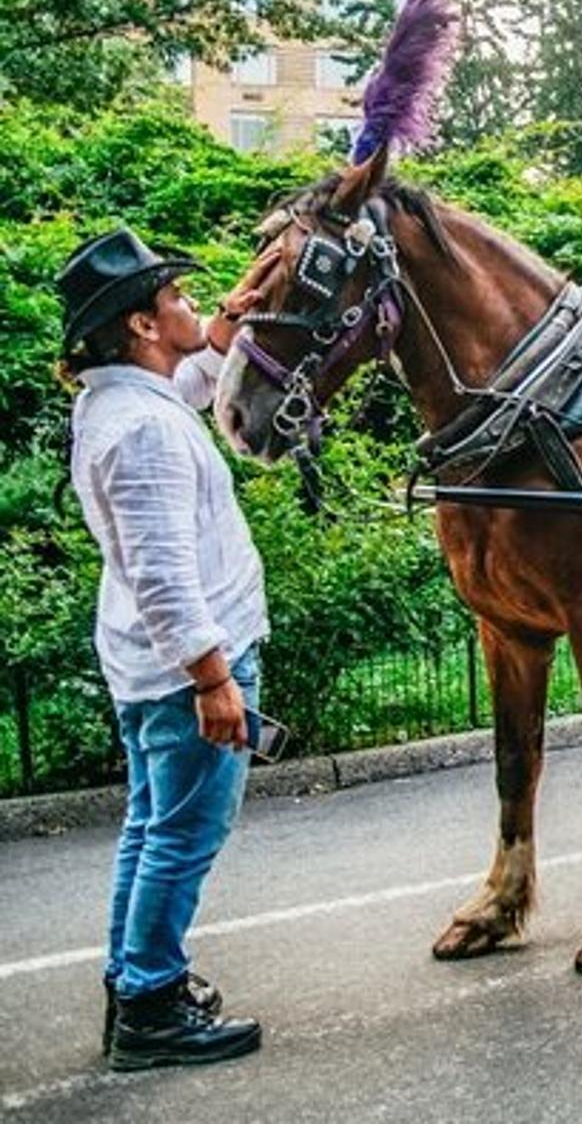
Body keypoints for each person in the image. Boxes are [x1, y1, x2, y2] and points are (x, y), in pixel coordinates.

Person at [59, 226, 272, 1071]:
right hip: (186, 673)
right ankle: (151, 1005)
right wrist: (214, 678)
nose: (190, 302)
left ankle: (137, 982)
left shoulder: (119, 401)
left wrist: (222, 328)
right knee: (183, 833)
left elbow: (184, 387)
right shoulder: (141, 431)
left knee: (151, 826)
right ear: (143, 326)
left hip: (145, 669)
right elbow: (162, 576)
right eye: (176, 298)